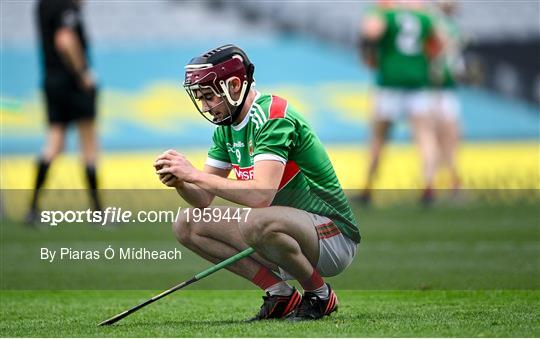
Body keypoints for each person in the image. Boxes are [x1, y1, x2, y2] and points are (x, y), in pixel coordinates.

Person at [154, 45, 360, 321]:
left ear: (235, 85)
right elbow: (202, 199)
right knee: (186, 223)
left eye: (208, 96)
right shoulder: (226, 129)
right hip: (282, 230)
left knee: (256, 219)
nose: (204, 106)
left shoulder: (272, 116)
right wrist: (180, 182)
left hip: (332, 236)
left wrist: (193, 173)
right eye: (199, 98)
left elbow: (260, 196)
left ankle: (320, 296)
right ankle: (280, 294)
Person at [358, 0, 442, 204]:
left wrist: (369, 56)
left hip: (390, 82)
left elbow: (370, 32)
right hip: (417, 81)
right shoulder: (424, 16)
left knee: (378, 137)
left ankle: (368, 188)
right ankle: (429, 185)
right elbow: (439, 42)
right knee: (425, 136)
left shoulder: (384, 13)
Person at [27, 0, 100, 223]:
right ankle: (97, 212)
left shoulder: (43, 5)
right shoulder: (65, 7)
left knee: (54, 144)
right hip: (72, 83)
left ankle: (33, 209)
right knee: (88, 145)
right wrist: (83, 73)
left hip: (52, 80)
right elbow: (65, 39)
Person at [430, 0, 464, 193]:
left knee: (448, 137)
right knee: (442, 136)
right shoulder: (435, 22)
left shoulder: (449, 24)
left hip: (445, 89)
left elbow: (453, 63)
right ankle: (444, 183)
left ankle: (447, 182)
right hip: (436, 90)